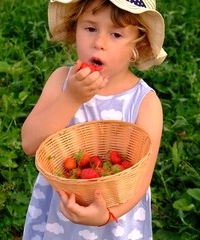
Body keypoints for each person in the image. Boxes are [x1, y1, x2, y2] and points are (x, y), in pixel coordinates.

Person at [21, 0, 166, 239]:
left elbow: (140, 181)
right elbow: (29, 143)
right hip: (61, 213)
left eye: (116, 34)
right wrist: (72, 98)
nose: (99, 43)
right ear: (74, 29)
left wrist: (107, 215)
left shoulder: (145, 103)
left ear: (136, 47)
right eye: (90, 29)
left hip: (115, 220)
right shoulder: (61, 81)